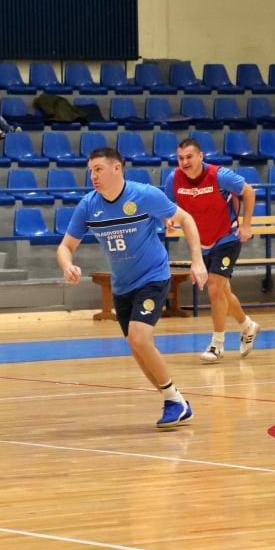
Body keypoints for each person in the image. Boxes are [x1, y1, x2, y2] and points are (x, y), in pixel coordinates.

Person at [57, 147, 208, 428]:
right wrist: (67, 265)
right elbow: (65, 246)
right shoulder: (88, 206)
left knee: (139, 338)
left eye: (98, 169)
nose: (93, 176)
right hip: (122, 285)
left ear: (117, 168)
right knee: (138, 350)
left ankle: (174, 401)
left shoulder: (144, 195)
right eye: (90, 171)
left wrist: (197, 261)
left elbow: (186, 219)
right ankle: (175, 400)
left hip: (153, 277)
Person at [163, 138, 260, 362]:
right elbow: (168, 206)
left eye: (189, 157)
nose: (185, 162)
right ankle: (248, 326)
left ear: (200, 156)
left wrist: (246, 225)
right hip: (201, 242)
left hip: (227, 237)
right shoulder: (173, 179)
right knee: (223, 292)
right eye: (180, 158)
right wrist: (168, 219)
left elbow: (248, 192)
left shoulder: (220, 176)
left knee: (215, 288)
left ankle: (217, 345)